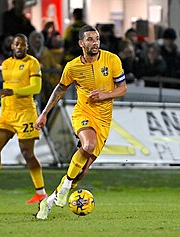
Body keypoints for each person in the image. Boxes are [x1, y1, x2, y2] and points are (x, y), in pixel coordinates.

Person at [34, 25, 127, 219]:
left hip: (104, 119)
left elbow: (122, 88)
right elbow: (59, 90)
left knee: (82, 171)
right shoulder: (72, 67)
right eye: (90, 39)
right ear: (81, 43)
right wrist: (43, 114)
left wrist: (105, 95)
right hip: (83, 113)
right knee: (88, 144)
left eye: (97, 39)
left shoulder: (112, 60)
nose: (95, 43)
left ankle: (49, 201)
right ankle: (66, 186)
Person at [0, 33, 47, 204]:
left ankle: (41, 192)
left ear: (27, 47)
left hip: (25, 114)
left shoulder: (32, 63)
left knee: (28, 153)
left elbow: (36, 87)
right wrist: (5, 103)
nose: (19, 47)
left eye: (23, 45)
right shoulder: (6, 64)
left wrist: (13, 91)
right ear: (12, 46)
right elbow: (6, 86)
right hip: (7, 114)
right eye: (16, 44)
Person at [28, 30, 62, 111]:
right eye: (34, 38)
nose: (37, 40)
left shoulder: (46, 51)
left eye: (39, 37)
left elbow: (53, 65)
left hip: (46, 84)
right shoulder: (28, 52)